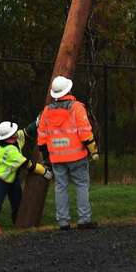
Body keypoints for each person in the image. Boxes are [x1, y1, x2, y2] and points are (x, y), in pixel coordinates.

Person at [37, 75, 98, 231]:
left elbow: (42, 137)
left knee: (60, 187)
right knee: (82, 185)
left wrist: (46, 158)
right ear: (68, 89)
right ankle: (84, 220)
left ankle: (63, 222)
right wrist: (93, 150)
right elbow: (85, 132)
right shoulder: (76, 107)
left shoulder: (47, 111)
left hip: (56, 157)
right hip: (77, 156)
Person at [0, 119, 50, 225]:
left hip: (13, 179)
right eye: (13, 132)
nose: (16, 132)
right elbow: (28, 164)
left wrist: (37, 123)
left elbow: (25, 132)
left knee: (17, 204)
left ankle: (17, 223)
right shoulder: (9, 152)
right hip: (1, 181)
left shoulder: (14, 140)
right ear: (9, 138)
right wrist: (44, 171)